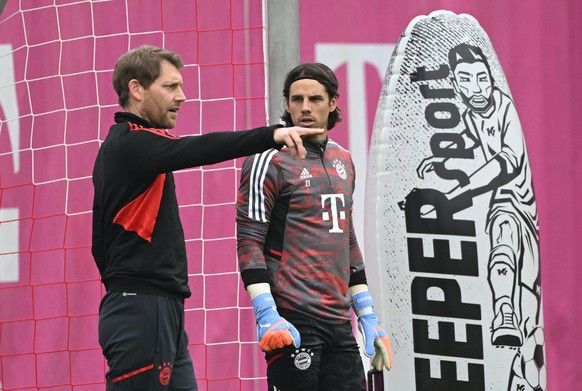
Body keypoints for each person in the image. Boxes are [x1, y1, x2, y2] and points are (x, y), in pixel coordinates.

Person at [91, 45, 323, 390]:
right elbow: (198, 148)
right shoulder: (131, 144)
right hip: (141, 309)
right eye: (170, 87)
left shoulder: (141, 145)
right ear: (136, 89)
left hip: (160, 309)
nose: (182, 96)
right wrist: (271, 135)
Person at [236, 63, 393, 391]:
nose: (304, 108)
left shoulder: (345, 159)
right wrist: (266, 312)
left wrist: (367, 316)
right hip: (292, 319)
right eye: (296, 100)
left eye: (315, 99)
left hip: (339, 320)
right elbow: (249, 240)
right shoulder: (269, 158)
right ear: (287, 104)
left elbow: (346, 239)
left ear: (333, 102)